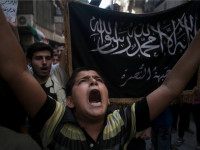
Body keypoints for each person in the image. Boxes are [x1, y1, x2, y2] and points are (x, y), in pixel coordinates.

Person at [1, 8, 200, 150]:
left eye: (98, 80)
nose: (94, 82)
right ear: (69, 100)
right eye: (83, 81)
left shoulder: (123, 122)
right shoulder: (55, 122)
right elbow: (16, 71)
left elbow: (171, 86)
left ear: (107, 96)